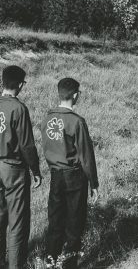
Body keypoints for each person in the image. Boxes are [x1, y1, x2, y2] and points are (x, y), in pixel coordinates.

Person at [41, 77, 99, 268]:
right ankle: (70, 263)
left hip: (55, 175)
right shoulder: (77, 121)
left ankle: (51, 260)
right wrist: (93, 182)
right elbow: (86, 155)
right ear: (75, 95)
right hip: (74, 176)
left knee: (55, 220)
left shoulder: (47, 118)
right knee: (75, 221)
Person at [0, 65, 42, 269]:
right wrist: (35, 170)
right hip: (13, 168)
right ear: (19, 84)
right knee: (17, 222)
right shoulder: (18, 108)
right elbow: (27, 145)